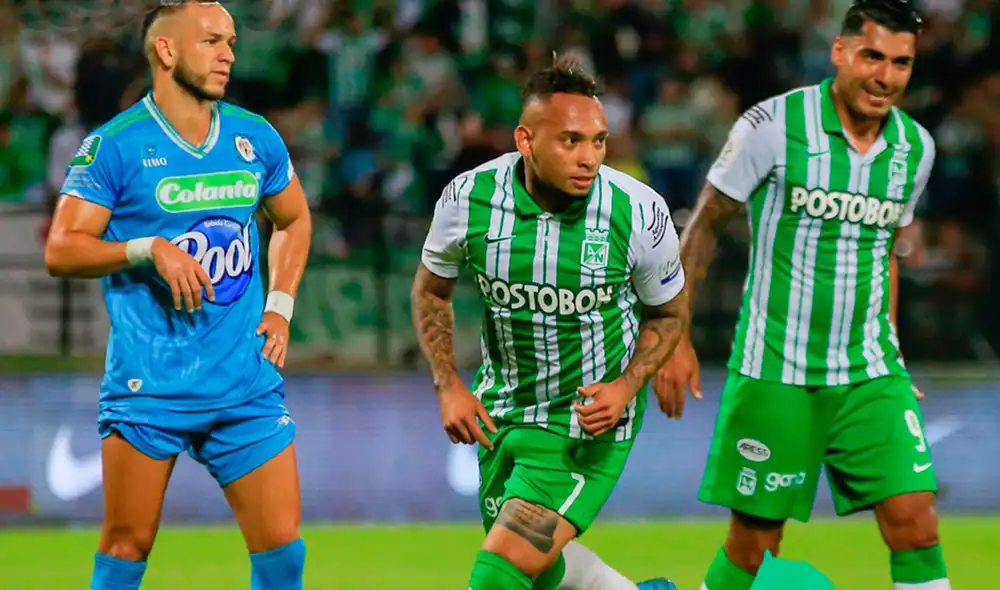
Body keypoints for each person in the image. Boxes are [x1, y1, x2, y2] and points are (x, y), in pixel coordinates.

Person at [652, 1, 950, 589]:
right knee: (753, 551)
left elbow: (883, 253)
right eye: (872, 56)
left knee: (916, 523)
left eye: (901, 63)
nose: (885, 76)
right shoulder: (772, 125)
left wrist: (892, 353)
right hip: (776, 370)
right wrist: (673, 333)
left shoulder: (916, 149)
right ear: (839, 51)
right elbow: (704, 226)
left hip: (869, 374)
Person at [44, 2, 312, 589]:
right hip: (152, 386)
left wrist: (280, 307)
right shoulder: (115, 146)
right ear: (166, 51)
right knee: (126, 547)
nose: (228, 55)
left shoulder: (253, 137)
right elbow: (61, 249)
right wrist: (147, 249)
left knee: (283, 552)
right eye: (212, 41)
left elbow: (293, 220)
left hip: (243, 381)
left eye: (231, 42)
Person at [412, 56, 685, 590]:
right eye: (570, 141)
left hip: (585, 422)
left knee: (499, 573)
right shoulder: (468, 199)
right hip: (501, 413)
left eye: (598, 141)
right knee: (539, 572)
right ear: (526, 140)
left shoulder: (637, 211)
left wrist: (626, 387)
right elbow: (431, 291)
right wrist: (448, 385)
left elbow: (669, 312)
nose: (589, 158)